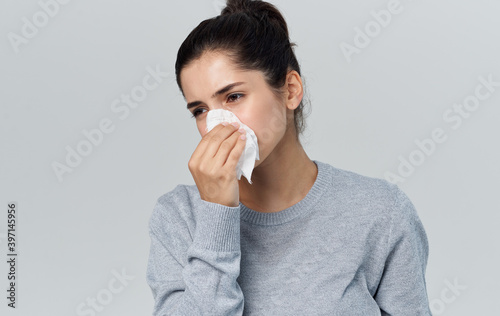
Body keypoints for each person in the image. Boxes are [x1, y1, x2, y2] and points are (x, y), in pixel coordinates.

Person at [146, 0, 432, 315]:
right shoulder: (178, 217)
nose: (217, 123)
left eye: (234, 96)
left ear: (291, 90)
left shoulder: (380, 212)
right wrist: (216, 213)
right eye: (200, 110)